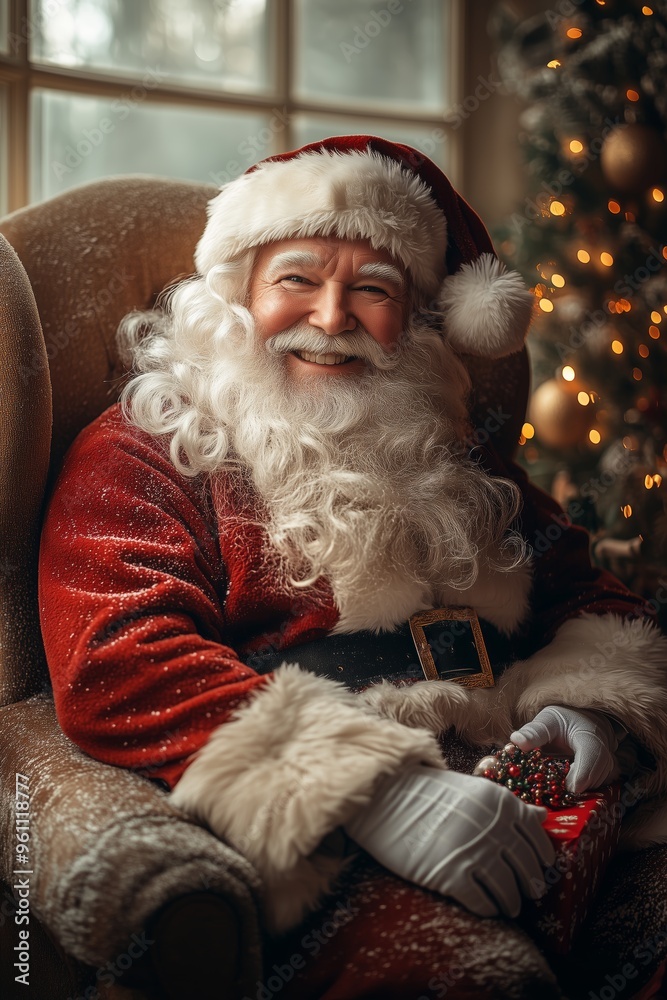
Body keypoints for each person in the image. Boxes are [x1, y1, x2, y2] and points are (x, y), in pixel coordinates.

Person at [38, 135, 667, 998]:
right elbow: (117, 657)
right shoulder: (145, 449)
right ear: (235, 293)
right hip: (334, 844)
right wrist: (376, 792)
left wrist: (587, 710)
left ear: (409, 318)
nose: (330, 318)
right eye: (296, 278)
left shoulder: (451, 445)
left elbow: (589, 592)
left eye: (371, 289)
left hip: (533, 790)